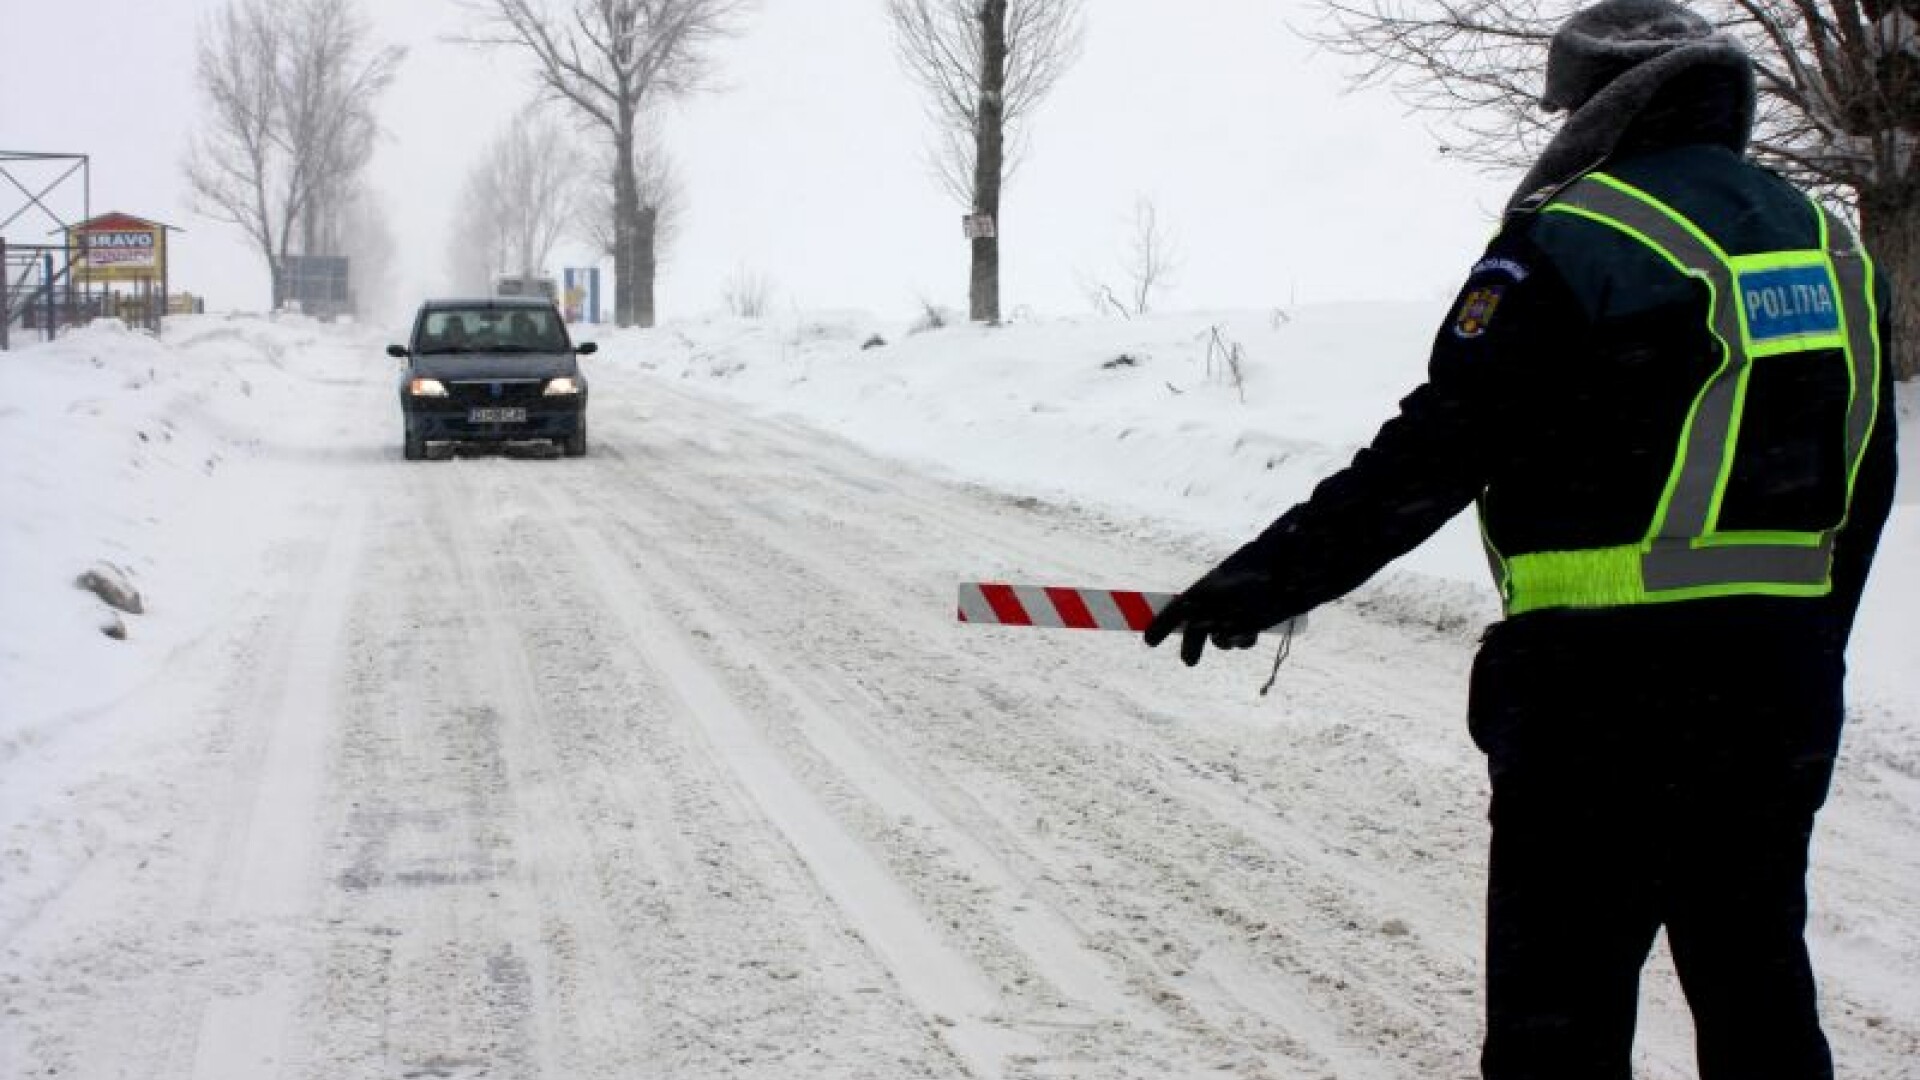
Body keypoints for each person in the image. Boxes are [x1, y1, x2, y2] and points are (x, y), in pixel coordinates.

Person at [1143, 1, 1899, 1077]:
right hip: (1775, 696)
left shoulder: (1577, 237)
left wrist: (1258, 585)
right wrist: (1807, 651)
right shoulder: (1831, 246)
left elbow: (1433, 455)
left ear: (1596, 107)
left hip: (1598, 700)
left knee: (1563, 1015)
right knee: (1757, 991)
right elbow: (1865, 481)